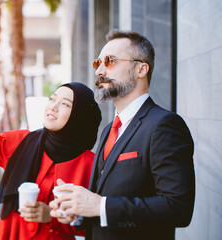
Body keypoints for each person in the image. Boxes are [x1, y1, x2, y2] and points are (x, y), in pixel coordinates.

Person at [0, 43, 102, 239]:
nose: (53, 107)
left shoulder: (90, 165)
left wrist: (52, 216)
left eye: (65, 104)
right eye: (52, 99)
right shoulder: (21, 143)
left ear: (79, 116)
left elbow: (89, 225)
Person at [49, 30, 195, 239]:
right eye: (98, 63)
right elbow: (104, 201)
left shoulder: (165, 125)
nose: (100, 70)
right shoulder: (109, 129)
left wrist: (101, 206)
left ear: (141, 69)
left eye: (110, 61)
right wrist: (78, 211)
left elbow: (178, 208)